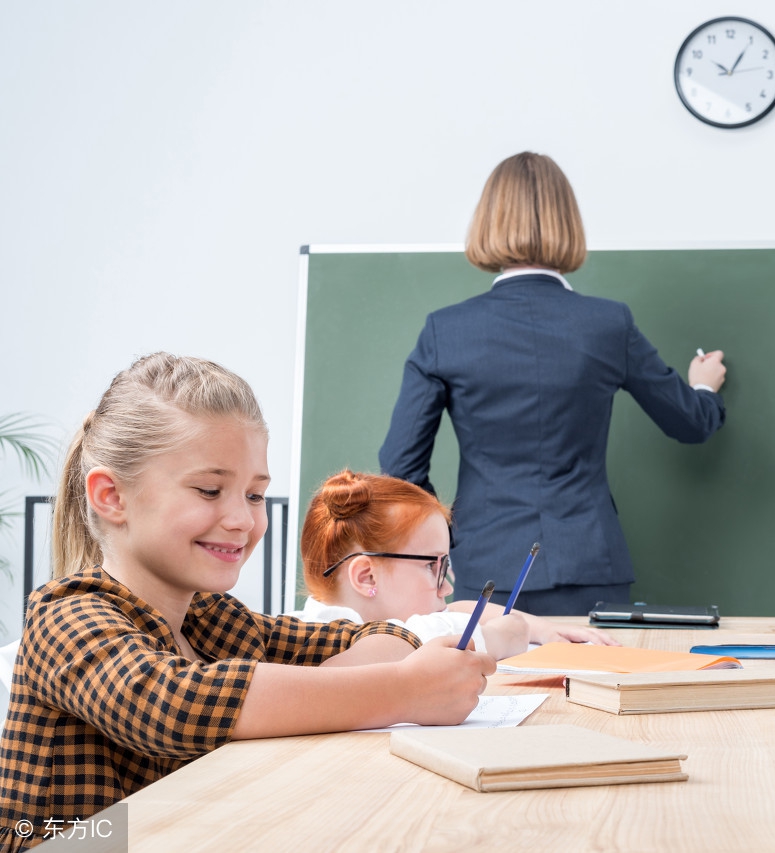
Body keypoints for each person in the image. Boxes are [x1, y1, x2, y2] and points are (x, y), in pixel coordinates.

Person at [0, 354, 495, 851]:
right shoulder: (63, 617)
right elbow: (174, 704)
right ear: (112, 496)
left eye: (255, 495)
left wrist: (338, 689)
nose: (242, 519)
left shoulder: (211, 619)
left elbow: (381, 633)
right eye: (210, 490)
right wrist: (399, 691)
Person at [379, 152, 727, 615]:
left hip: (482, 567)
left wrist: (442, 548)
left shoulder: (446, 330)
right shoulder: (607, 324)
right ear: (568, 223)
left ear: (487, 222)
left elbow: (400, 468)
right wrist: (703, 388)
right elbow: (690, 423)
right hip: (590, 567)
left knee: (488, 690)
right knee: (591, 688)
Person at [295, 470, 618, 658]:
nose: (447, 586)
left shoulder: (320, 619)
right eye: (430, 567)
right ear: (367, 577)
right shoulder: (349, 644)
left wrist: (544, 629)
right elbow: (442, 628)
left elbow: (459, 609)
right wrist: (496, 640)